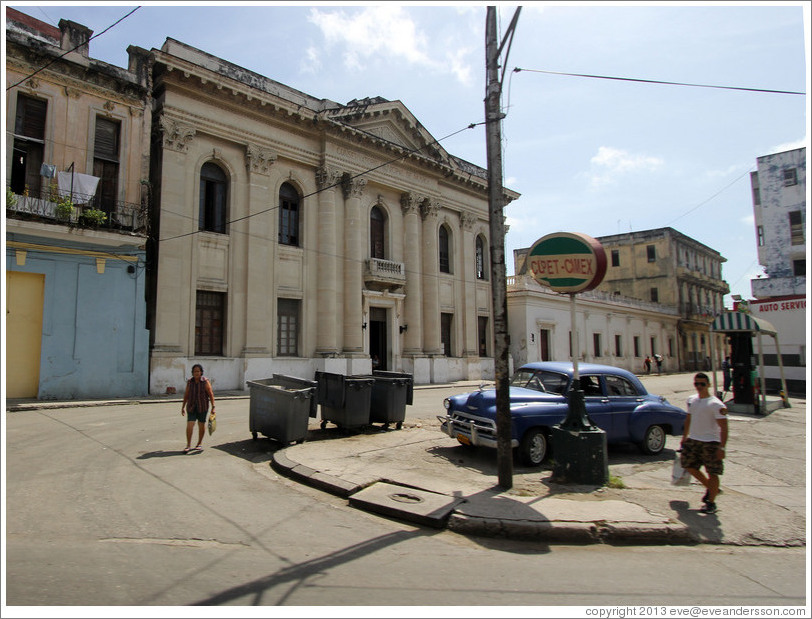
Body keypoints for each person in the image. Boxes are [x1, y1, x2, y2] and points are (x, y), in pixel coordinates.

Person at [680, 372, 728, 514]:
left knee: (713, 472)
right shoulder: (692, 400)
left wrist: (722, 447)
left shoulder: (716, 404)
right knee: (688, 465)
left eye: (702, 384)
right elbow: (689, 419)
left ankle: (711, 502)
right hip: (694, 440)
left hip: (711, 442)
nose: (699, 386)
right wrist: (684, 437)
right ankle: (712, 489)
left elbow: (724, 427)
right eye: (697, 384)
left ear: (708, 385)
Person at [181, 363, 215, 452]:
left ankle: (199, 443)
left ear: (201, 372)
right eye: (195, 371)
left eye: (198, 371)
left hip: (202, 406)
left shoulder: (205, 381)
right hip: (191, 406)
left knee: (201, 424)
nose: (196, 373)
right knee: (190, 424)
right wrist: (183, 406)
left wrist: (213, 407)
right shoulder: (190, 382)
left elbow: (211, 394)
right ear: (192, 373)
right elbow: (186, 394)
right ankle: (188, 445)